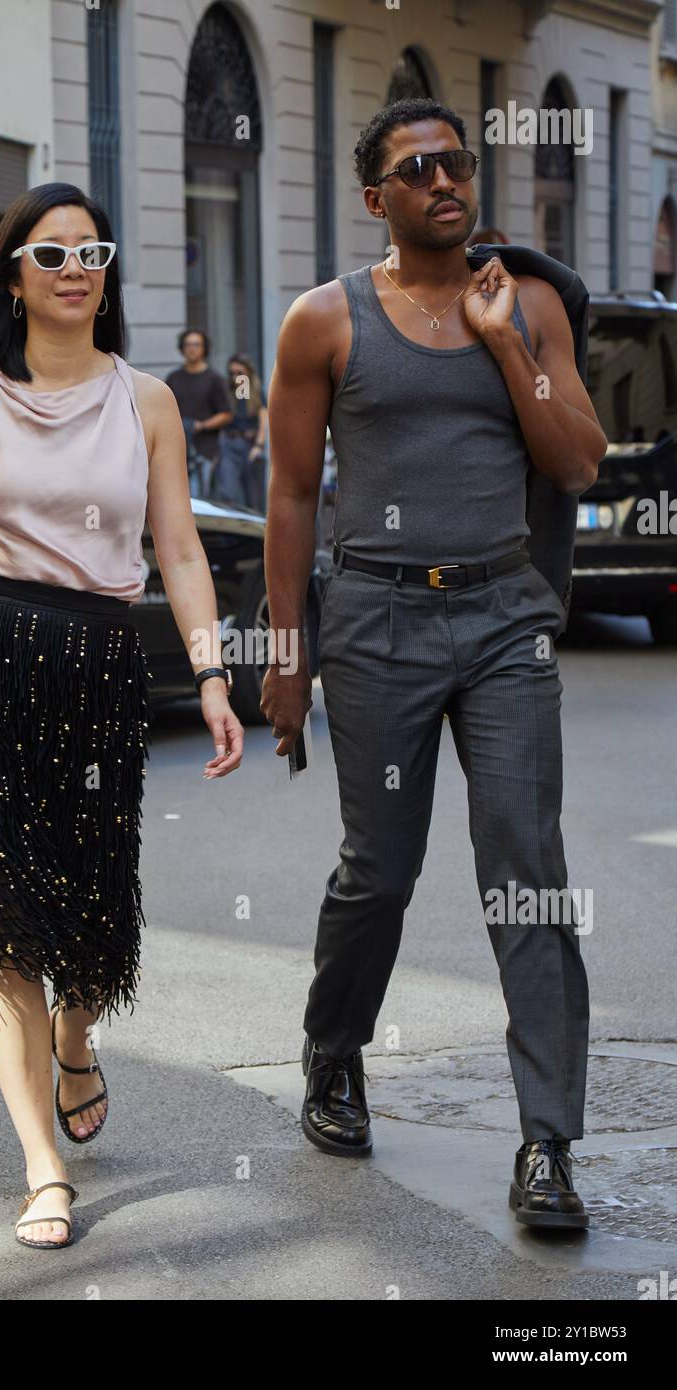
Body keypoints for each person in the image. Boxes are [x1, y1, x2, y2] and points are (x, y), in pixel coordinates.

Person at [261, 98, 608, 1229]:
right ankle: (331, 1053)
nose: (443, 180)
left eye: (455, 161)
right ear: (377, 199)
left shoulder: (531, 300)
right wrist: (283, 654)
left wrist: (506, 340)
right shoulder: (323, 322)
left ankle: (546, 1143)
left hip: (503, 615)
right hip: (373, 619)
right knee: (381, 867)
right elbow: (292, 495)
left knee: (525, 864)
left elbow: (576, 462)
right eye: (415, 169)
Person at [0, 182, 243, 1250]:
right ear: (14, 276)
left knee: (90, 923)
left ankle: (77, 1039)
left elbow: (176, 548)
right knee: (0, 921)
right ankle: (44, 1165)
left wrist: (213, 674)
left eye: (93, 249)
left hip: (94, 667)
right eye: (52, 254)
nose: (78, 266)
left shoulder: (144, 400)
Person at [165, 330, 233, 499]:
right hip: (177, 451)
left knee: (199, 500)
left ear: (204, 349)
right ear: (182, 348)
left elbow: (226, 414)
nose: (192, 349)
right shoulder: (174, 378)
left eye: (196, 344)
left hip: (204, 450)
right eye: (188, 344)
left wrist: (201, 425)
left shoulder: (215, 379)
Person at [214, 353, 268, 510]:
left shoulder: (255, 391)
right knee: (228, 494)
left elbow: (264, 418)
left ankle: (257, 534)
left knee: (254, 496)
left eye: (240, 373)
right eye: (232, 373)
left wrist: (258, 445)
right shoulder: (225, 390)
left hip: (250, 445)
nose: (235, 377)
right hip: (229, 443)